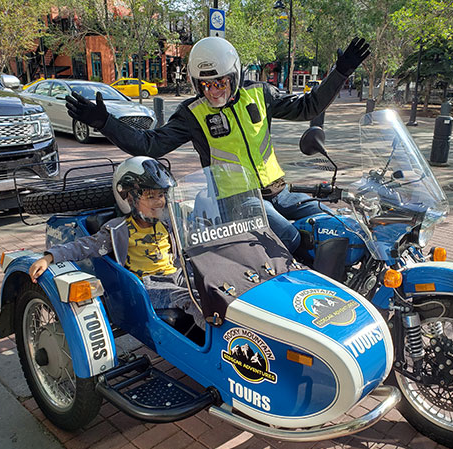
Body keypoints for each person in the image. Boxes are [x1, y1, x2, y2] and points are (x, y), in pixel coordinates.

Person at [66, 37, 370, 253]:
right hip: (236, 202)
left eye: (220, 82)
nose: (213, 91)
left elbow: (309, 106)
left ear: (234, 76)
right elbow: (151, 144)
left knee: (336, 226)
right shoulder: (193, 114)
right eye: (205, 84)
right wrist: (105, 122)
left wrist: (341, 71)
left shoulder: (260, 94)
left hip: (282, 193)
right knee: (291, 239)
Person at [28, 157, 205, 330]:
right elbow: (85, 246)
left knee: (213, 287)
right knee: (191, 298)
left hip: (178, 275)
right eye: (150, 196)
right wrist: (49, 257)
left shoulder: (168, 222)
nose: (159, 201)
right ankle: (221, 339)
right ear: (129, 199)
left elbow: (194, 232)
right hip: (148, 285)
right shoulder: (118, 229)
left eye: (161, 195)